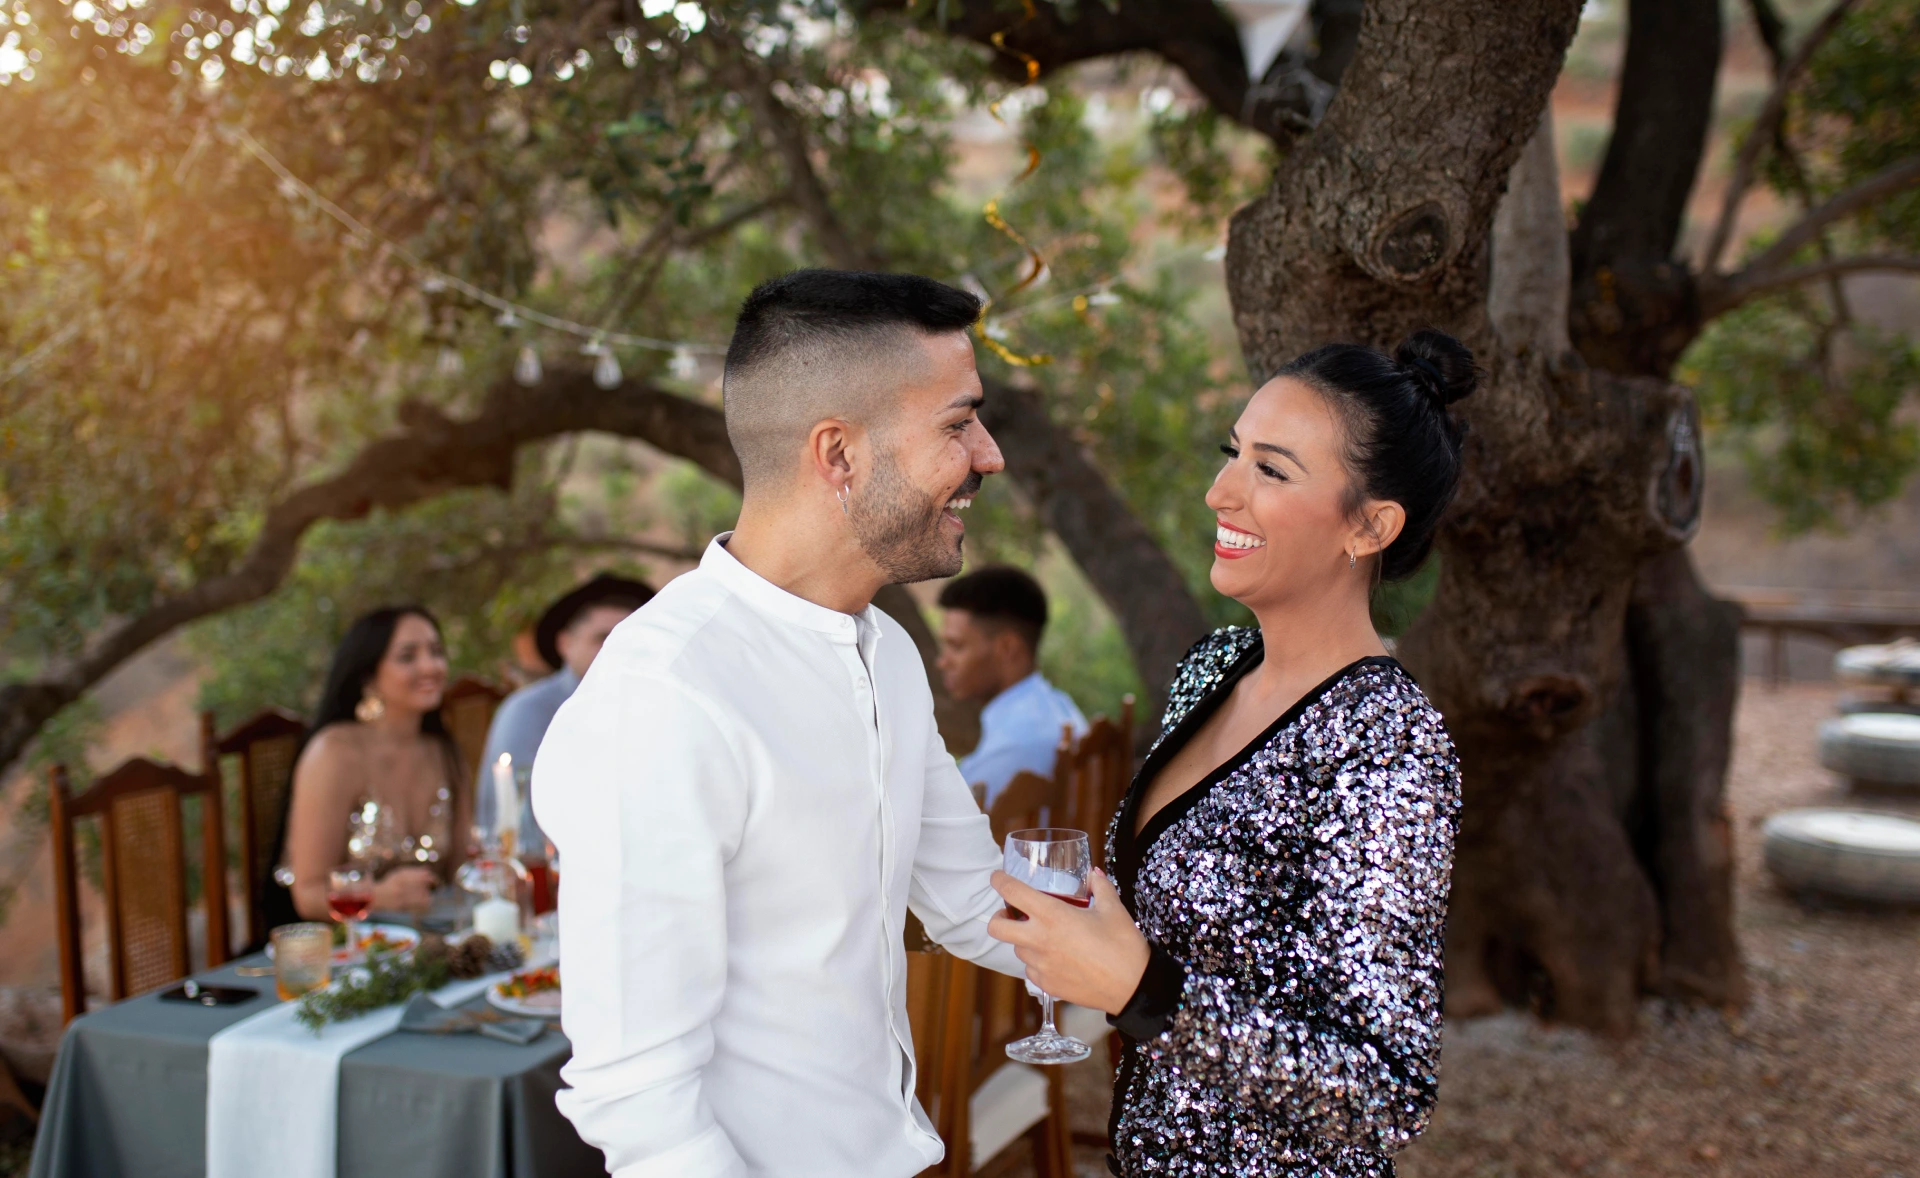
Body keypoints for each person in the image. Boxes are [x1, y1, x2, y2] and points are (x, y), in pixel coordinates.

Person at [532, 269, 1025, 1177]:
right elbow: (637, 1100)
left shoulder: (886, 652)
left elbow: (973, 899)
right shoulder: (665, 697)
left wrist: (1160, 973)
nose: (989, 455)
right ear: (837, 454)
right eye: (958, 424)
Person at [987, 330, 1472, 1176]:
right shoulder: (1214, 666)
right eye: (1231, 454)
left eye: (1271, 470)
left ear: (1369, 526)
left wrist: (1143, 991)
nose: (1220, 492)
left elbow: (1384, 1090)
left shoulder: (1387, 742)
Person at [277, 607, 469, 927]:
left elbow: (462, 873)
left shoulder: (444, 751)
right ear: (368, 676)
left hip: (434, 942)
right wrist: (380, 896)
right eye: (408, 657)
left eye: (436, 652)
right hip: (351, 948)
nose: (430, 666)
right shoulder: (334, 753)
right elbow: (307, 893)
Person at [475, 572, 654, 805]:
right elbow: (512, 816)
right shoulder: (529, 712)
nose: (616, 649)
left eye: (627, 637)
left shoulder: (652, 708)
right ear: (565, 644)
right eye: (602, 638)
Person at [935, 565, 1086, 806]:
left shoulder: (1015, 744)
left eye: (956, 646)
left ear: (1007, 648)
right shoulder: (1058, 706)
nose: (942, 662)